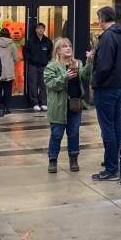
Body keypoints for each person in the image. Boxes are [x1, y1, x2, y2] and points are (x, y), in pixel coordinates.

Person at [90, 6, 121, 181]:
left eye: (98, 19)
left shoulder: (108, 37)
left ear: (102, 19)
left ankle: (111, 168)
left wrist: (95, 81)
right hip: (119, 86)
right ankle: (117, 164)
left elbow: (105, 66)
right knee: (116, 127)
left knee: (108, 128)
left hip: (106, 88)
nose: (98, 22)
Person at [44, 38, 90, 174]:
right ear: (58, 51)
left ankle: (74, 158)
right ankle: (52, 160)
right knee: (57, 134)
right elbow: (51, 84)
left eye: (69, 46)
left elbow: (86, 76)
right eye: (64, 46)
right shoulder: (51, 66)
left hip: (75, 106)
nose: (68, 48)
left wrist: (90, 61)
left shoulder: (77, 63)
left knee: (74, 133)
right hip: (58, 107)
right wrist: (65, 77)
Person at [23, 23, 53, 112]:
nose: (40, 30)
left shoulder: (47, 41)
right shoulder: (31, 41)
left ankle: (43, 103)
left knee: (43, 85)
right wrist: (30, 59)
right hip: (33, 66)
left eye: (42, 28)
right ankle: (35, 103)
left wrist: (47, 59)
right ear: (36, 30)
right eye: (39, 28)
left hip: (44, 66)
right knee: (33, 84)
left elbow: (50, 52)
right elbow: (25, 52)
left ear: (44, 30)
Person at [0, 27, 17, 116]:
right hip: (9, 72)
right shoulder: (12, 44)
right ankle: (7, 108)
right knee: (7, 91)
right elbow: (16, 58)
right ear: (8, 35)